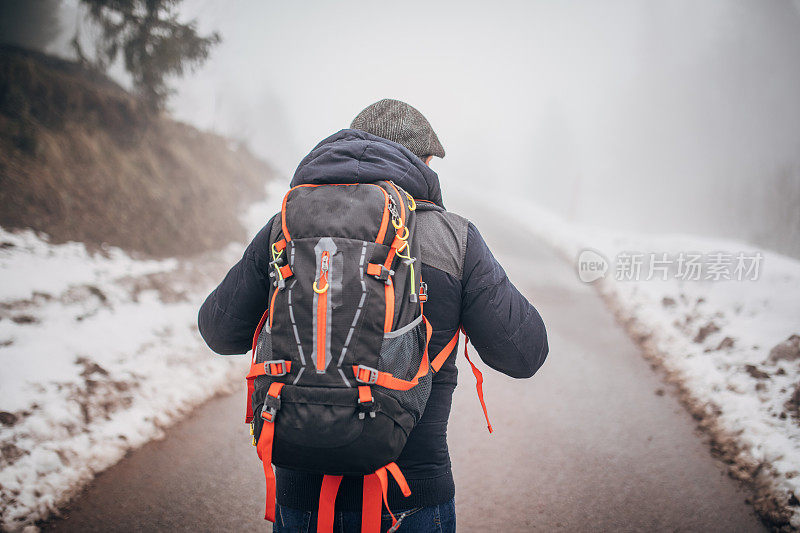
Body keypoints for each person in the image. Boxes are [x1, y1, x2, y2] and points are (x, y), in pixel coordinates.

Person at [198, 99, 549, 532]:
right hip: (411, 498)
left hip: (302, 500)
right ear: (418, 161)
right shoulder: (453, 238)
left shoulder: (285, 227)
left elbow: (218, 330)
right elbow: (524, 354)